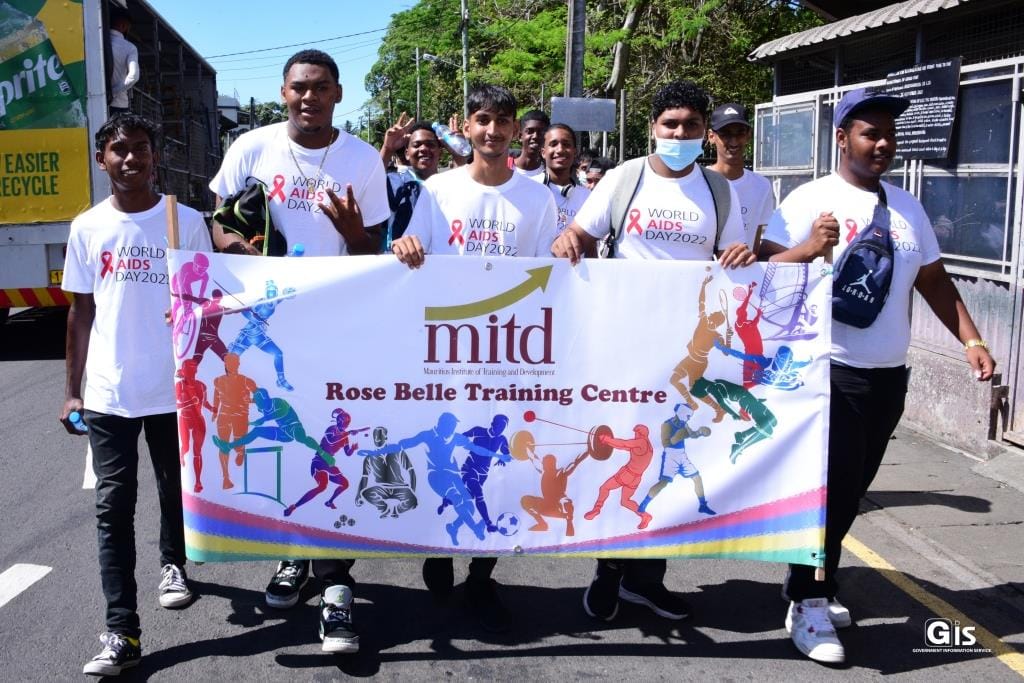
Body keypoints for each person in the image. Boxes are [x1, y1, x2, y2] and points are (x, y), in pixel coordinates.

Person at [759, 88, 995, 665]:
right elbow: (763, 276)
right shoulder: (808, 199)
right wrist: (810, 247)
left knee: (852, 488)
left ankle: (813, 582)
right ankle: (808, 600)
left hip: (888, 375)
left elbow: (933, 281)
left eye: (890, 133)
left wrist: (972, 340)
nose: (884, 143)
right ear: (842, 139)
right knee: (835, 491)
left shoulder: (908, 207)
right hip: (827, 371)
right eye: (871, 133)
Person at [551, 80, 754, 624]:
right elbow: (580, 235)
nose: (680, 134)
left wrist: (740, 254)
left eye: (691, 126)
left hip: (687, 358)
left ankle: (647, 579)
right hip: (624, 349)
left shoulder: (718, 191)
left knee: (668, 459)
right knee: (627, 458)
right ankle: (609, 569)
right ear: (652, 128)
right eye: (670, 124)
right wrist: (569, 241)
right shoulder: (624, 179)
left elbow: (733, 259)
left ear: (704, 133)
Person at [209, 48, 390, 655]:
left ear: (338, 93)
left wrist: (354, 234)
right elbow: (219, 220)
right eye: (298, 87)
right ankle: (293, 557)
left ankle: (336, 584)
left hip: (336, 328)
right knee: (284, 443)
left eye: (320, 87)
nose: (308, 96)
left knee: (327, 445)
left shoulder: (363, 159)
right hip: (265, 324)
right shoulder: (250, 148)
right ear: (283, 93)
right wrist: (237, 246)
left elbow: (373, 252)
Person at [391, 84, 558, 631]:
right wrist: (405, 247)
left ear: (515, 130)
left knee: (496, 466)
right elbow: (410, 251)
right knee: (446, 453)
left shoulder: (537, 199)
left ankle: (484, 573)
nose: (493, 130)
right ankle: (440, 549)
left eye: (503, 121)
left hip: (510, 353)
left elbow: (549, 278)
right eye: (482, 119)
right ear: (464, 127)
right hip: (445, 353)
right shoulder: (438, 190)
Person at [60, 114, 211, 676]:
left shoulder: (184, 221)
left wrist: (192, 317)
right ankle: (122, 629)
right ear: (102, 159)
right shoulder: (88, 227)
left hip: (174, 390)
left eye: (141, 148)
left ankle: (174, 563)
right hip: (109, 392)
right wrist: (72, 392)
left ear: (155, 156)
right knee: (113, 508)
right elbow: (80, 312)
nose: (131, 159)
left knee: (175, 489)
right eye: (119, 150)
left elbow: (207, 300)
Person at [707, 103, 775, 249]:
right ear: (711, 136)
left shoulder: (762, 185)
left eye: (740, 133)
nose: (734, 141)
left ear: (748, 135)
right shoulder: (701, 180)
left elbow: (754, 239)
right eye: (725, 134)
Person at [533, 123, 591, 234]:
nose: (560, 150)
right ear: (543, 152)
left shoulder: (586, 197)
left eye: (566, 144)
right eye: (553, 144)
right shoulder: (529, 188)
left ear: (575, 152)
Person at [107, 8, 139, 115]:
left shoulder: (96, 43)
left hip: (93, 102)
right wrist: (112, 92)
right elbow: (133, 76)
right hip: (119, 105)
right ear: (124, 26)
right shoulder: (129, 48)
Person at [511, 109, 549, 177]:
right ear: (520, 136)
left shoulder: (549, 174)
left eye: (541, 132)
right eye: (530, 131)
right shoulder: (504, 167)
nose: (535, 136)